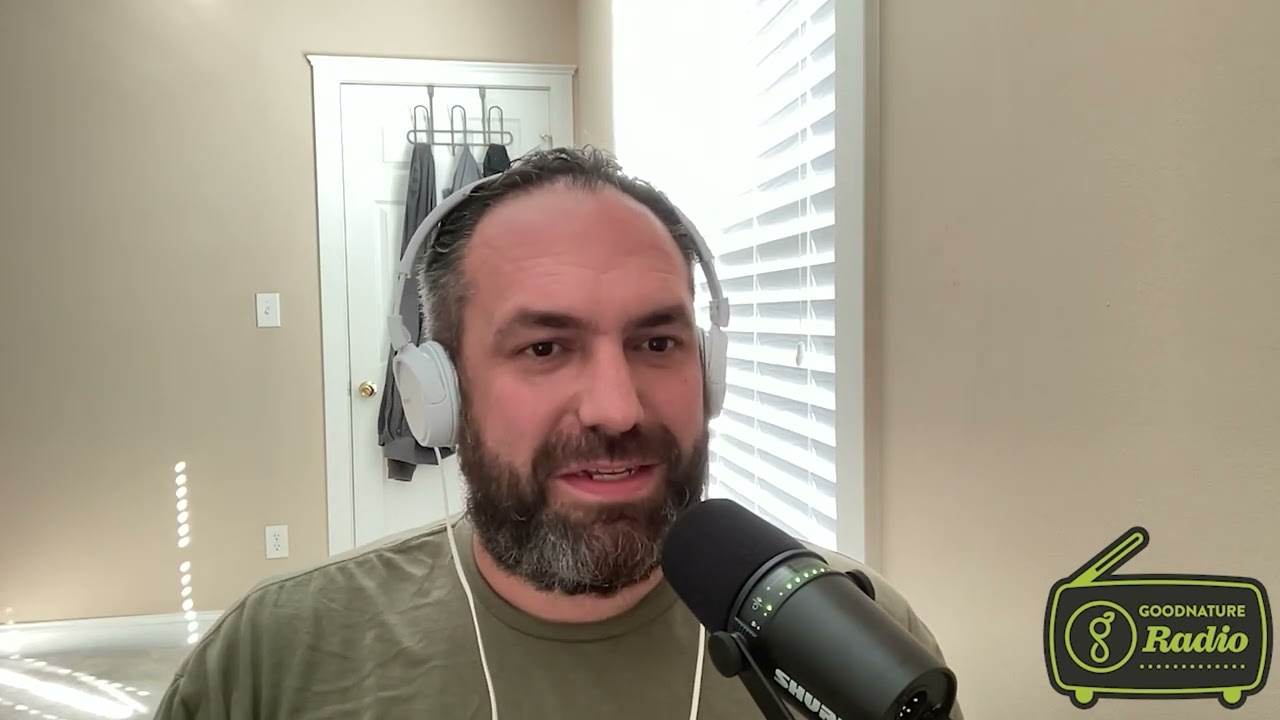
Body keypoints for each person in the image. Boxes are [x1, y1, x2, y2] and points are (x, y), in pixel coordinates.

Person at [154, 147, 963, 719]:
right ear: (439, 393)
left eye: (657, 343)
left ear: (709, 372)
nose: (616, 408)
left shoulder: (858, 640)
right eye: (544, 348)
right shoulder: (275, 660)